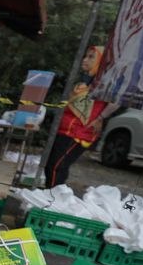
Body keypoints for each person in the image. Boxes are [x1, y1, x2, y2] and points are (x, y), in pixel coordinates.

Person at [46, 45, 117, 187]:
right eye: (86, 56)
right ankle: (52, 197)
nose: (85, 60)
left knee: (56, 167)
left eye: (91, 57)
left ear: (101, 62)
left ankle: (50, 200)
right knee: (53, 166)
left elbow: (116, 102)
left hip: (79, 133)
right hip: (65, 130)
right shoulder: (85, 82)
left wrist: (101, 118)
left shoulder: (104, 83)